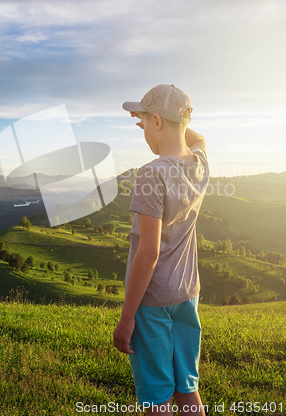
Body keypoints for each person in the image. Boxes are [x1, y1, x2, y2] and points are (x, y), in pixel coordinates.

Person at [113, 84, 209, 415]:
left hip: (152, 303)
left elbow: (148, 252)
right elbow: (197, 140)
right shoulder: (198, 164)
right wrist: (173, 121)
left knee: (157, 398)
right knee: (187, 388)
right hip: (187, 294)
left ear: (157, 121)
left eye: (143, 124)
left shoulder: (152, 173)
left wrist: (127, 319)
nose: (142, 131)